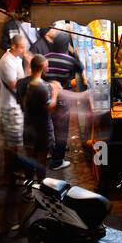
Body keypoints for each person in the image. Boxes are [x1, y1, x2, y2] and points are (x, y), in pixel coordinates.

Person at [42, 28, 88, 171]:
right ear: (65, 44)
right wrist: (72, 51)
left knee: (49, 127)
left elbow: (42, 76)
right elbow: (81, 68)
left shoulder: (46, 57)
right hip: (63, 98)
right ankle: (57, 162)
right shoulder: (69, 60)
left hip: (48, 97)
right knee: (61, 130)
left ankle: (50, 152)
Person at [15, 54, 59, 176]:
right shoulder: (44, 87)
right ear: (43, 67)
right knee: (41, 161)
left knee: (29, 159)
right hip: (42, 129)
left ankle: (28, 190)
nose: (48, 69)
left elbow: (18, 101)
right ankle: (41, 187)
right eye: (47, 67)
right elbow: (49, 107)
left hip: (28, 126)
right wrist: (55, 92)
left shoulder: (20, 83)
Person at [0, 33, 29, 183]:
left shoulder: (16, 58)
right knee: (11, 143)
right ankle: (8, 176)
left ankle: (13, 171)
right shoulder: (7, 62)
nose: (24, 50)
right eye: (22, 47)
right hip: (9, 107)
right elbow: (14, 86)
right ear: (14, 47)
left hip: (15, 106)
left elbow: (22, 80)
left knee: (15, 142)